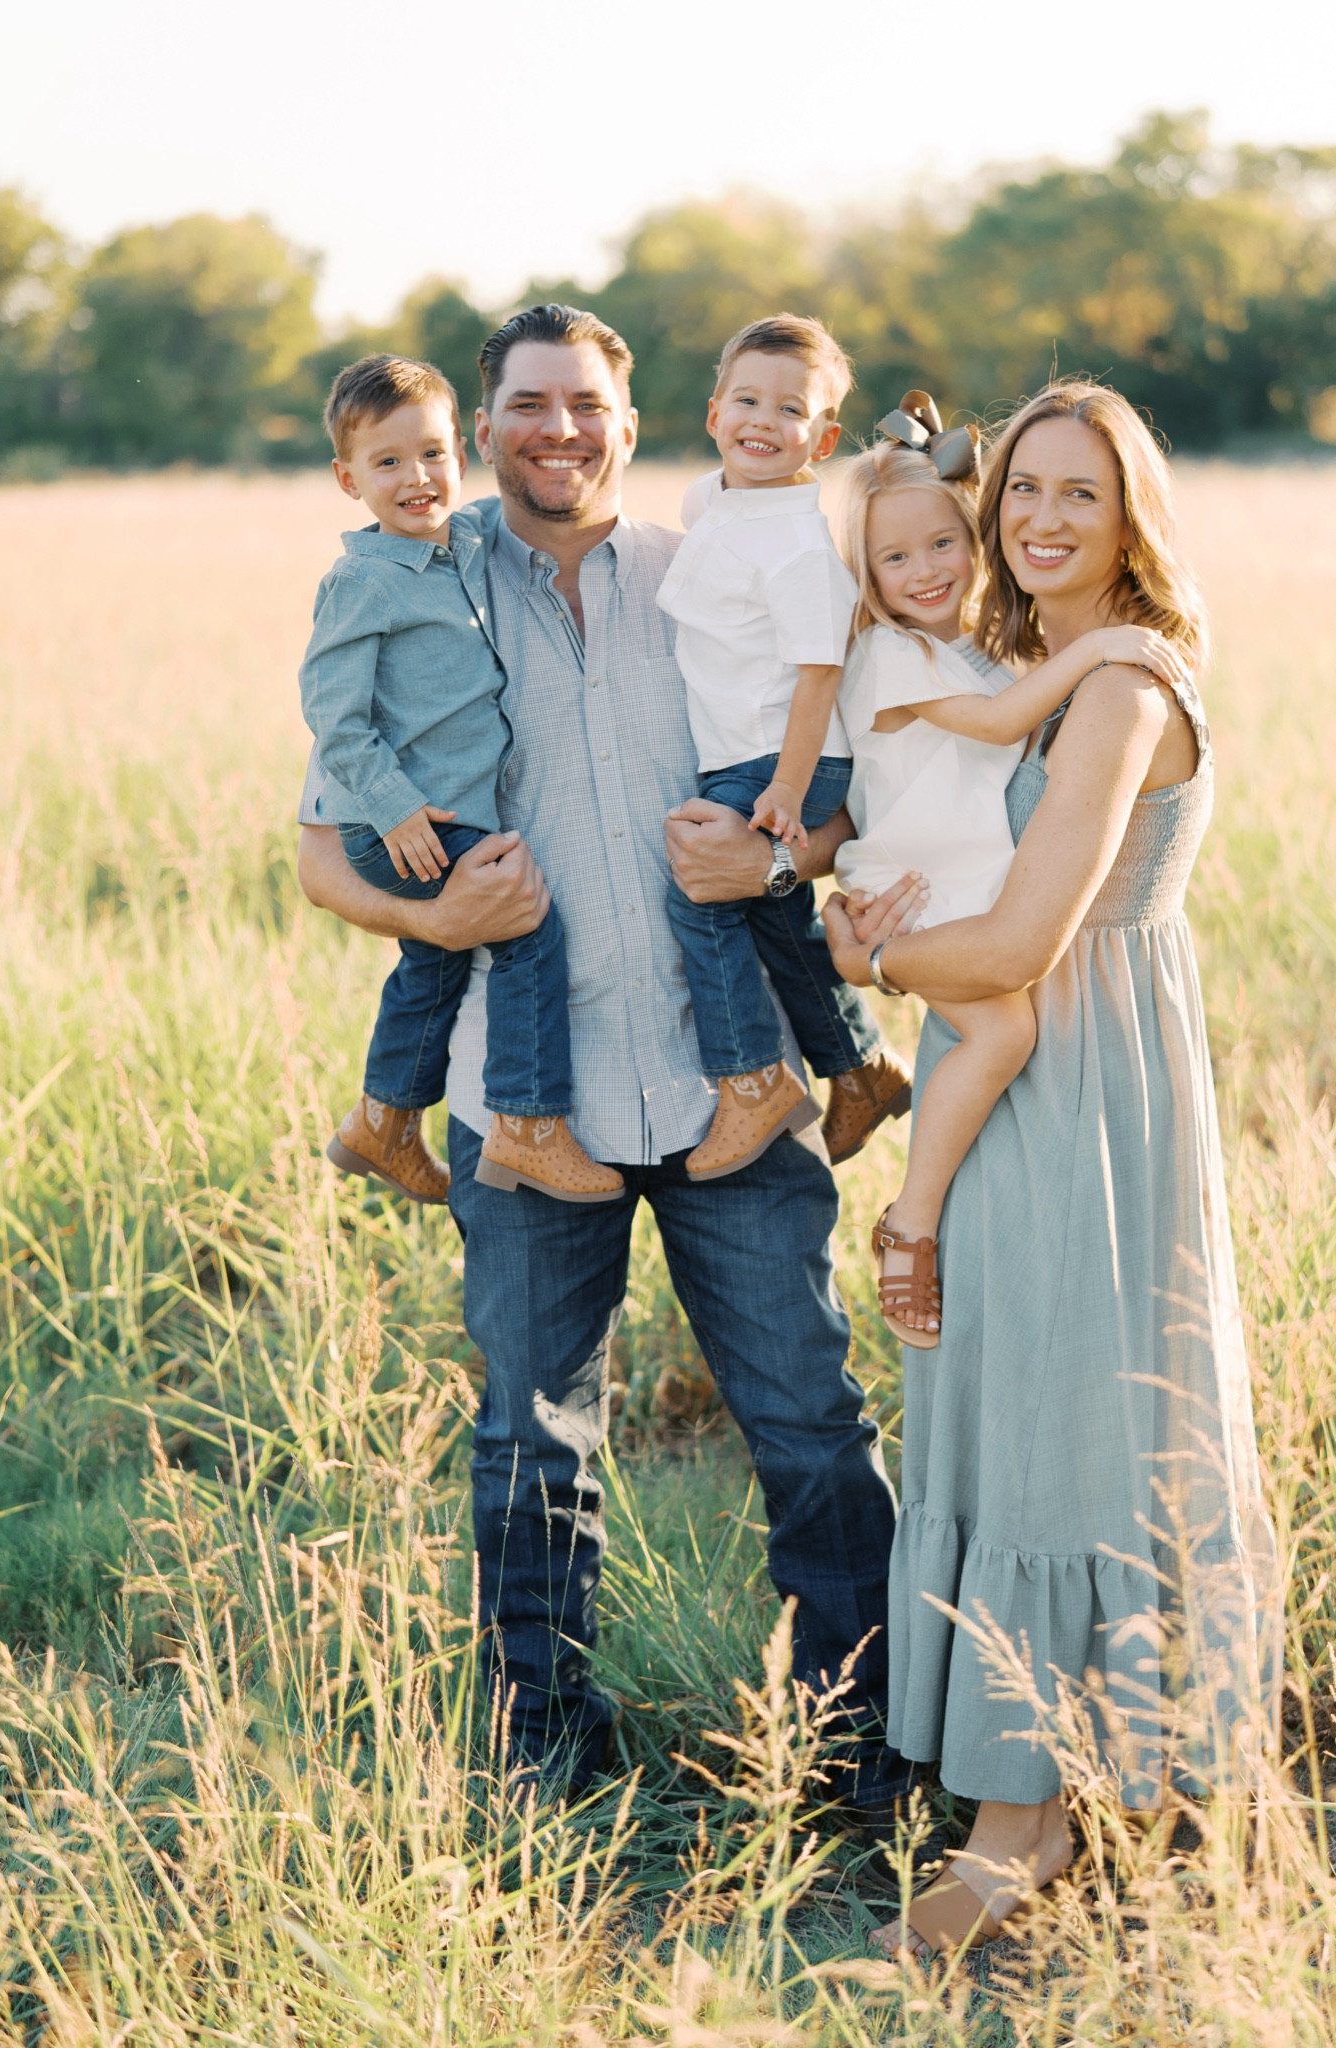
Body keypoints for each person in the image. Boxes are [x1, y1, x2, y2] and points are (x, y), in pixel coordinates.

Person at [296, 303, 910, 1811]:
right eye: (526, 406)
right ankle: (550, 1760)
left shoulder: (711, 574)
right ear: (481, 426)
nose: (557, 431)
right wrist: (435, 905)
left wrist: (775, 870)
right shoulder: (419, 585)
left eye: (586, 405)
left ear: (636, 425)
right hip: (526, 1104)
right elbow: (324, 855)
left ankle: (858, 1749)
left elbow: (837, 798)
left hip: (731, 1087)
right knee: (527, 1442)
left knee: (811, 1427)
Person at [824, 379, 1282, 1956]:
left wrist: (884, 972)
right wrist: (857, 916)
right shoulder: (1026, 662)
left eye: (1077, 492)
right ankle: (1065, 1793)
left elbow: (1024, 939)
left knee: (1058, 1418)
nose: (1039, 519)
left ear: (1131, 509)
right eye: (1020, 490)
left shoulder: (1122, 692)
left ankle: (1020, 1836)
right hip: (1015, 1064)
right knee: (1010, 1403)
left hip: (1083, 1080)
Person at [832, 396, 1190, 1348]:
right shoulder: (900, 654)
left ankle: (909, 1211)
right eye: (1024, 488)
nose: (921, 572)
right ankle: (909, 1220)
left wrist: (862, 965)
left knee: (1000, 1030)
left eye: (1080, 492)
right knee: (999, 1031)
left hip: (998, 929)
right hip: (918, 879)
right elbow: (997, 732)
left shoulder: (1027, 663)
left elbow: (1011, 735)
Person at [301, 354, 622, 1208]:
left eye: (434, 454)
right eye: (388, 463)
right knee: (524, 923)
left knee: (436, 962)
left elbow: (543, 498)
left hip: (446, 816)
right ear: (348, 479)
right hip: (405, 820)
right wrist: (393, 807)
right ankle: (527, 1121)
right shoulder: (362, 582)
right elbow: (334, 716)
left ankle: (384, 1121)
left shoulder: (470, 538)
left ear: (464, 453)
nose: (417, 478)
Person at [655, 315, 911, 1181]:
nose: (763, 421)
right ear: (714, 411)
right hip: (749, 749)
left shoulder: (800, 546)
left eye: (790, 409)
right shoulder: (714, 501)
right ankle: (861, 1068)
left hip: (780, 754)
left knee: (700, 887)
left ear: (823, 436)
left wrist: (787, 791)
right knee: (773, 916)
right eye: (746, 400)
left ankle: (753, 1082)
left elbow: (818, 678)